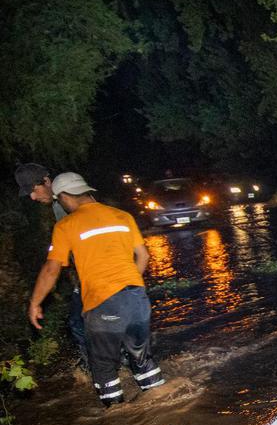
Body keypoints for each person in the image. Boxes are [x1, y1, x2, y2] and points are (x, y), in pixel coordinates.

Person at [28, 172, 165, 406]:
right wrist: (126, 284)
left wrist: (35, 302)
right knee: (141, 357)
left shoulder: (66, 225)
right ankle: (164, 403)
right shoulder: (122, 216)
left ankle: (117, 417)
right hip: (137, 299)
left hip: (103, 302)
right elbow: (143, 256)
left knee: (103, 366)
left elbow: (52, 268)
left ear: (64, 197)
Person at [14, 163, 89, 372]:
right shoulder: (60, 203)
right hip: (88, 272)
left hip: (95, 272)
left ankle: (99, 368)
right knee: (83, 321)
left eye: (33, 190)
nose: (32, 197)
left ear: (46, 181)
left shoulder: (68, 199)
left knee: (79, 322)